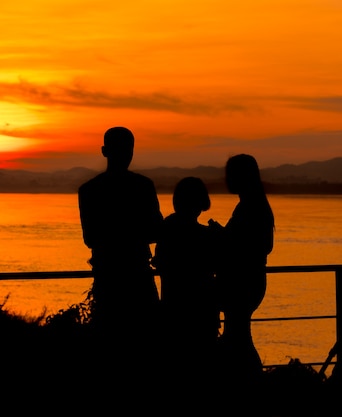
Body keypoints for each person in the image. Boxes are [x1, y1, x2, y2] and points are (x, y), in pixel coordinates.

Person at [78, 126, 163, 361]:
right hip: (136, 276)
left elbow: (91, 238)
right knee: (146, 345)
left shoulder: (89, 191)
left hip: (109, 277)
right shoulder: (143, 186)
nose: (127, 155)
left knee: (111, 346)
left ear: (104, 151)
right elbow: (156, 231)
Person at [210, 154, 275, 386]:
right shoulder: (254, 204)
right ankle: (248, 382)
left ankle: (252, 383)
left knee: (237, 336)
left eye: (231, 174)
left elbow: (246, 245)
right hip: (251, 280)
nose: (226, 179)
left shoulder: (250, 207)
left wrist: (221, 236)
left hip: (242, 282)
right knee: (237, 335)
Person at [152, 176, 220, 385]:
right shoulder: (205, 236)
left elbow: (161, 262)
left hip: (173, 308)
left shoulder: (167, 228)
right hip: (201, 310)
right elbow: (215, 264)